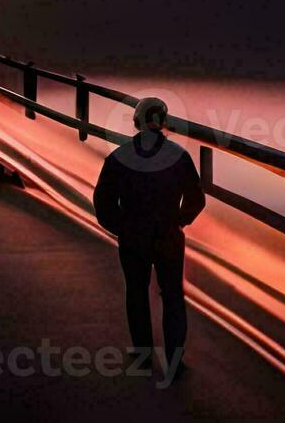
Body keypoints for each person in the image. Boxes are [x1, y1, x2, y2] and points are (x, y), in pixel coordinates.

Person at [93, 96, 206, 379]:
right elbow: (196, 199)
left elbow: (103, 200)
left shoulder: (119, 157)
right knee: (172, 296)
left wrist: (120, 227)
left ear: (136, 122)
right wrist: (179, 221)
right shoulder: (179, 156)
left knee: (136, 291)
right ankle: (174, 360)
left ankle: (142, 354)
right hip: (168, 235)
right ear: (164, 123)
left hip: (133, 236)